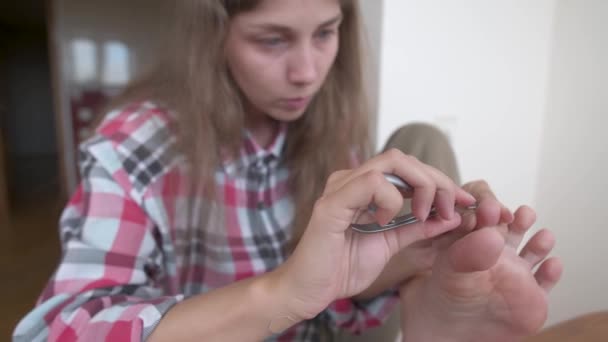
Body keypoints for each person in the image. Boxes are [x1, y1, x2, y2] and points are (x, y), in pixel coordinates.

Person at [13, 1, 562, 341]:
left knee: (420, 146)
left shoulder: (331, 127)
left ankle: (434, 295)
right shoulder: (135, 141)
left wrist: (413, 258)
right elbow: (57, 331)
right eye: (271, 39)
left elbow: (338, 287)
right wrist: (281, 292)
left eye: (326, 33)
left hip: (330, 328)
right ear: (215, 36)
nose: (307, 72)